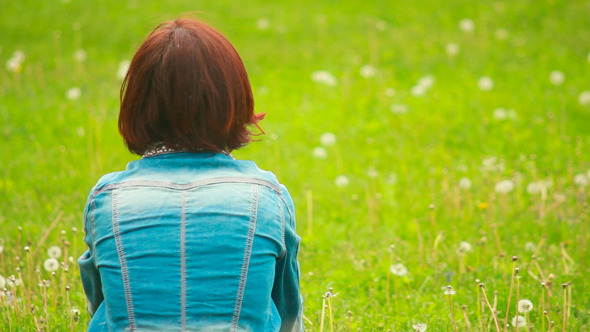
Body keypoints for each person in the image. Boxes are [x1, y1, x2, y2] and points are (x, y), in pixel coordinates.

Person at [78, 18, 303, 332]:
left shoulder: (106, 197)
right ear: (234, 98)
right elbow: (288, 314)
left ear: (136, 103)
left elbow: (100, 305)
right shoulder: (268, 196)